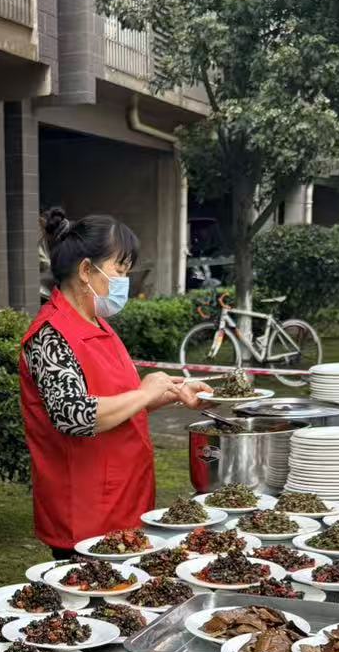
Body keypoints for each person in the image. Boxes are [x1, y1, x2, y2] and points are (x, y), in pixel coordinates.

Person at [19, 210, 205, 555]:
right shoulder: (50, 335)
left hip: (125, 500)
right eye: (119, 270)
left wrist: (167, 393)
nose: (124, 280)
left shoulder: (98, 324)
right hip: (85, 511)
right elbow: (75, 415)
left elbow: (119, 400)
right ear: (86, 270)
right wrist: (143, 392)